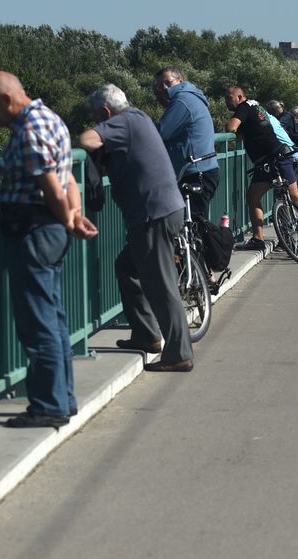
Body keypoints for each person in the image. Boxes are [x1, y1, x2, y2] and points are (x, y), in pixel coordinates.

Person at [0, 71, 98, 428]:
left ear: (6, 100)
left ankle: (48, 406)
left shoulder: (30, 131)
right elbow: (69, 178)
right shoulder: (52, 120)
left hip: (33, 231)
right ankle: (63, 399)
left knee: (38, 322)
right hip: (49, 229)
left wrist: (67, 219)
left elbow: (50, 184)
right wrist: (73, 217)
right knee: (53, 318)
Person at [79, 84, 194, 373]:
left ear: (105, 112)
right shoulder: (139, 117)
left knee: (161, 284)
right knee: (127, 268)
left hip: (153, 214)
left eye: (96, 116)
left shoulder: (122, 122)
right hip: (162, 209)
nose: (96, 121)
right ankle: (146, 335)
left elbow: (88, 139)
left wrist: (91, 157)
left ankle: (179, 353)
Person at [225, 86, 298, 252]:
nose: (226, 102)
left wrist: (230, 126)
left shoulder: (243, 107)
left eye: (228, 98)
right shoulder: (255, 106)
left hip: (272, 158)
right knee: (257, 196)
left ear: (239, 97)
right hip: (276, 157)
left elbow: (231, 128)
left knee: (292, 196)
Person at [153, 67, 218, 220]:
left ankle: (214, 244)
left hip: (196, 171)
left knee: (192, 221)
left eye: (168, 82)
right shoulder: (191, 97)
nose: (164, 87)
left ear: (180, 80)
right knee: (196, 223)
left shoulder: (182, 100)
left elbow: (161, 132)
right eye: (160, 85)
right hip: (202, 168)